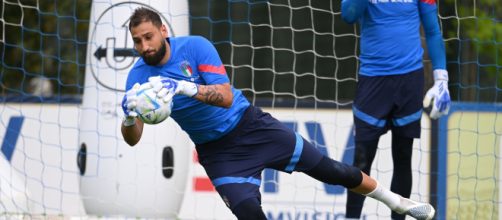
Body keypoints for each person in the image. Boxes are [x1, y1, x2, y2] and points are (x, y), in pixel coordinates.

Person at [120, 7, 435, 220]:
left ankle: (398, 202)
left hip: (252, 127)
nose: (144, 46)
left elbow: (227, 97)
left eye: (149, 36)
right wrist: (129, 117)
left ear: (163, 30)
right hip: (218, 153)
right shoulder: (137, 78)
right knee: (249, 213)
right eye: (137, 41)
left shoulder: (195, 47)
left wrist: (184, 88)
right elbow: (133, 140)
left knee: (333, 171)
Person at [341, 0, 451, 219]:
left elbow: (432, 29)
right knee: (362, 160)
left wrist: (441, 78)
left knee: (403, 156)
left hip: (409, 81)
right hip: (373, 80)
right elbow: (349, 15)